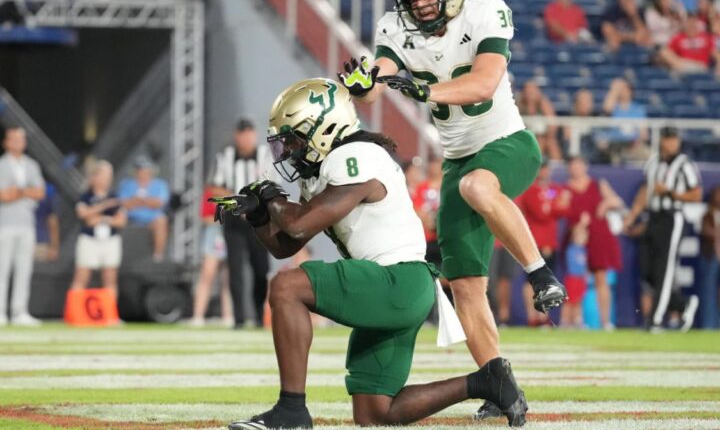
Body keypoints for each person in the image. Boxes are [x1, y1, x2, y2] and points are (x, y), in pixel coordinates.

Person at [217, 78, 526, 430]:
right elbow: (285, 245)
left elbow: (299, 225)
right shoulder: (331, 165)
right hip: (400, 286)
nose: (288, 149)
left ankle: (291, 411)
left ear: (324, 128)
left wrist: (270, 198)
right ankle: (488, 381)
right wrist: (259, 214)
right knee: (376, 414)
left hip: (397, 281)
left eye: (293, 138)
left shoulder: (356, 156)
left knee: (287, 286)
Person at [338, 0, 565, 420]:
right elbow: (375, 84)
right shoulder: (394, 27)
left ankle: (540, 273)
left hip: (507, 143)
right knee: (463, 286)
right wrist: (361, 84)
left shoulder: (484, 10)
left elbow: (483, 82)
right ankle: (501, 388)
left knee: (477, 186)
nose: (420, 3)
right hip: (459, 161)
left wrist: (426, 90)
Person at [623, 126, 702, 332]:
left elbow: (696, 194)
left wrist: (670, 193)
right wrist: (632, 216)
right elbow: (644, 191)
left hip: (673, 217)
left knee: (664, 270)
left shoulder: (684, 164)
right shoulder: (653, 163)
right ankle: (682, 304)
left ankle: (655, 320)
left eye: (674, 138)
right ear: (662, 140)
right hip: (653, 217)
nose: (672, 142)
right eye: (668, 138)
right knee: (649, 271)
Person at [212, 118, 278, 328]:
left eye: (249, 133)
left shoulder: (265, 155)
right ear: (236, 135)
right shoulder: (225, 157)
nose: (246, 137)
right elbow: (214, 187)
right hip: (234, 219)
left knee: (260, 268)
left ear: (254, 135)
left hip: (258, 217)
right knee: (236, 268)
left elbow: (274, 185)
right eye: (242, 133)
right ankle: (239, 319)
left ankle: (259, 316)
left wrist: (253, 202)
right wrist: (236, 199)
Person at [0, 127, 45, 327]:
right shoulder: (0, 165)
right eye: (13, 139)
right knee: (3, 268)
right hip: (6, 224)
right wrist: (26, 191)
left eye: (21, 139)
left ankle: (19, 311)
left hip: (26, 224)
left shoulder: (31, 165)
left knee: (24, 269)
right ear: (6, 142)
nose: (17, 143)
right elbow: (3, 195)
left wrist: (18, 191)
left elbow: (40, 192)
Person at [565, 157, 624, 330]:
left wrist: (606, 204)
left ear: (585, 166)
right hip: (578, 239)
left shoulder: (598, 184)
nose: (576, 169)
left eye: (579, 165)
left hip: (599, 236)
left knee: (601, 278)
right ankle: (576, 320)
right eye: (572, 166)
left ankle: (605, 321)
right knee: (576, 280)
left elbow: (618, 202)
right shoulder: (566, 189)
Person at [519, 162, 570, 326]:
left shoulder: (554, 188)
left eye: (546, 168)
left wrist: (554, 207)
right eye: (541, 168)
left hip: (551, 241)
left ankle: (542, 316)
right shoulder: (530, 189)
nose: (544, 171)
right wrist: (557, 205)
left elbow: (566, 209)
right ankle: (532, 316)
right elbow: (541, 213)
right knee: (531, 279)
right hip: (535, 240)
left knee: (547, 280)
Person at [70, 160, 126, 304]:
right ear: (95, 177)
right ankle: (76, 312)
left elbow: (121, 221)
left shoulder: (115, 197)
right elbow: (83, 215)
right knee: (82, 277)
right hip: (89, 239)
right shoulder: (86, 197)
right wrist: (104, 206)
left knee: (110, 278)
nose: (107, 179)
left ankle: (110, 315)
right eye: (103, 175)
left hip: (110, 239)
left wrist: (102, 219)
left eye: (109, 176)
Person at [185, 185, 229, 327]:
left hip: (233, 233)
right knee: (207, 275)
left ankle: (228, 316)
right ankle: (198, 316)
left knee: (228, 279)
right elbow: (206, 217)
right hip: (215, 233)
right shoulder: (211, 191)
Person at [118, 156, 170, 261]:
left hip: (151, 219)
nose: (142, 173)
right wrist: (145, 201)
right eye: (140, 170)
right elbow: (123, 203)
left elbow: (159, 203)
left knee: (161, 220)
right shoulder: (127, 184)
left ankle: (158, 256)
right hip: (130, 217)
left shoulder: (160, 185)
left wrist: (138, 201)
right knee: (118, 216)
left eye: (145, 170)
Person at [601, 78, 649, 163]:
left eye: (625, 89)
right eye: (621, 90)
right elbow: (606, 109)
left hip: (633, 144)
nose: (623, 92)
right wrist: (614, 90)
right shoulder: (614, 107)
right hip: (615, 144)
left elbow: (643, 132)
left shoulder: (638, 109)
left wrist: (639, 140)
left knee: (648, 154)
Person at [516, 80, 561, 161]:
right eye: (528, 91)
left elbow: (553, 125)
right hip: (524, 137)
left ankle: (557, 166)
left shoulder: (544, 104)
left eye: (533, 91)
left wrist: (547, 135)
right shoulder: (519, 105)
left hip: (542, 136)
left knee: (550, 142)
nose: (530, 93)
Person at [561, 212, 590, 328]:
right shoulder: (571, 248)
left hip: (580, 279)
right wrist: (582, 224)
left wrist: (586, 273)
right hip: (572, 278)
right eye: (580, 235)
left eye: (585, 235)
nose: (583, 237)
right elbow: (575, 232)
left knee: (578, 301)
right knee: (569, 302)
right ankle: (564, 321)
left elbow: (584, 265)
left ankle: (577, 321)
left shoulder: (584, 250)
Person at [699, 185, 720, 329]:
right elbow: (705, 231)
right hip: (710, 257)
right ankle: (709, 324)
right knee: (708, 292)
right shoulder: (708, 214)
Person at [34, 182, 60, 262]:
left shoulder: (46, 194)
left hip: (40, 245)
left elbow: (52, 221)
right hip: (18, 244)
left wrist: (54, 247)